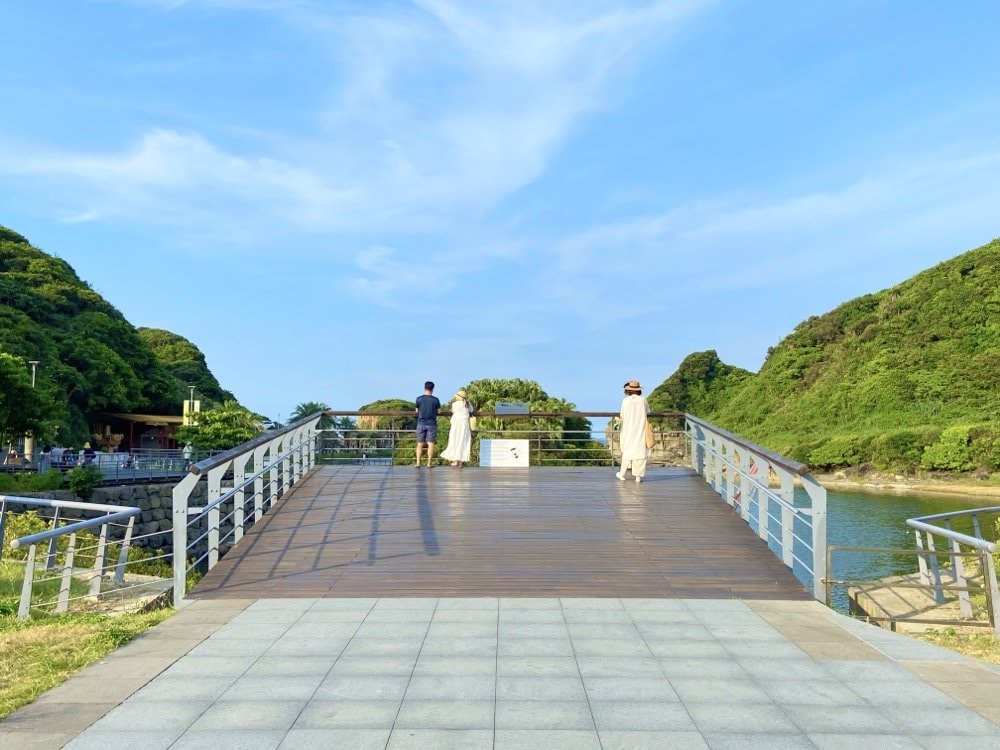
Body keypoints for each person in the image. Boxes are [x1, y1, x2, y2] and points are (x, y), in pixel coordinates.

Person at [616, 379, 651, 483]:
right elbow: (648, 411)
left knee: (627, 451)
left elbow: (622, 414)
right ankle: (638, 477)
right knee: (640, 451)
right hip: (640, 428)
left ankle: (622, 474)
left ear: (628, 391)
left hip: (628, 429)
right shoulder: (643, 400)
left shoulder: (625, 401)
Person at [440, 389, 474, 467]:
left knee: (454, 440)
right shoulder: (468, 404)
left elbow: (453, 411)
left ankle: (455, 461)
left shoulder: (455, 404)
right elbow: (472, 410)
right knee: (463, 442)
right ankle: (461, 462)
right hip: (464, 425)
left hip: (456, 425)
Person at [414, 381, 441, 467]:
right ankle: (429, 463)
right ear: (432, 389)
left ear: (424, 388)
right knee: (431, 443)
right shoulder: (436, 400)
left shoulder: (419, 399)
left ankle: (418, 463)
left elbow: (417, 411)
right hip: (432, 424)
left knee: (419, 444)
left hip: (421, 423)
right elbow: (439, 411)